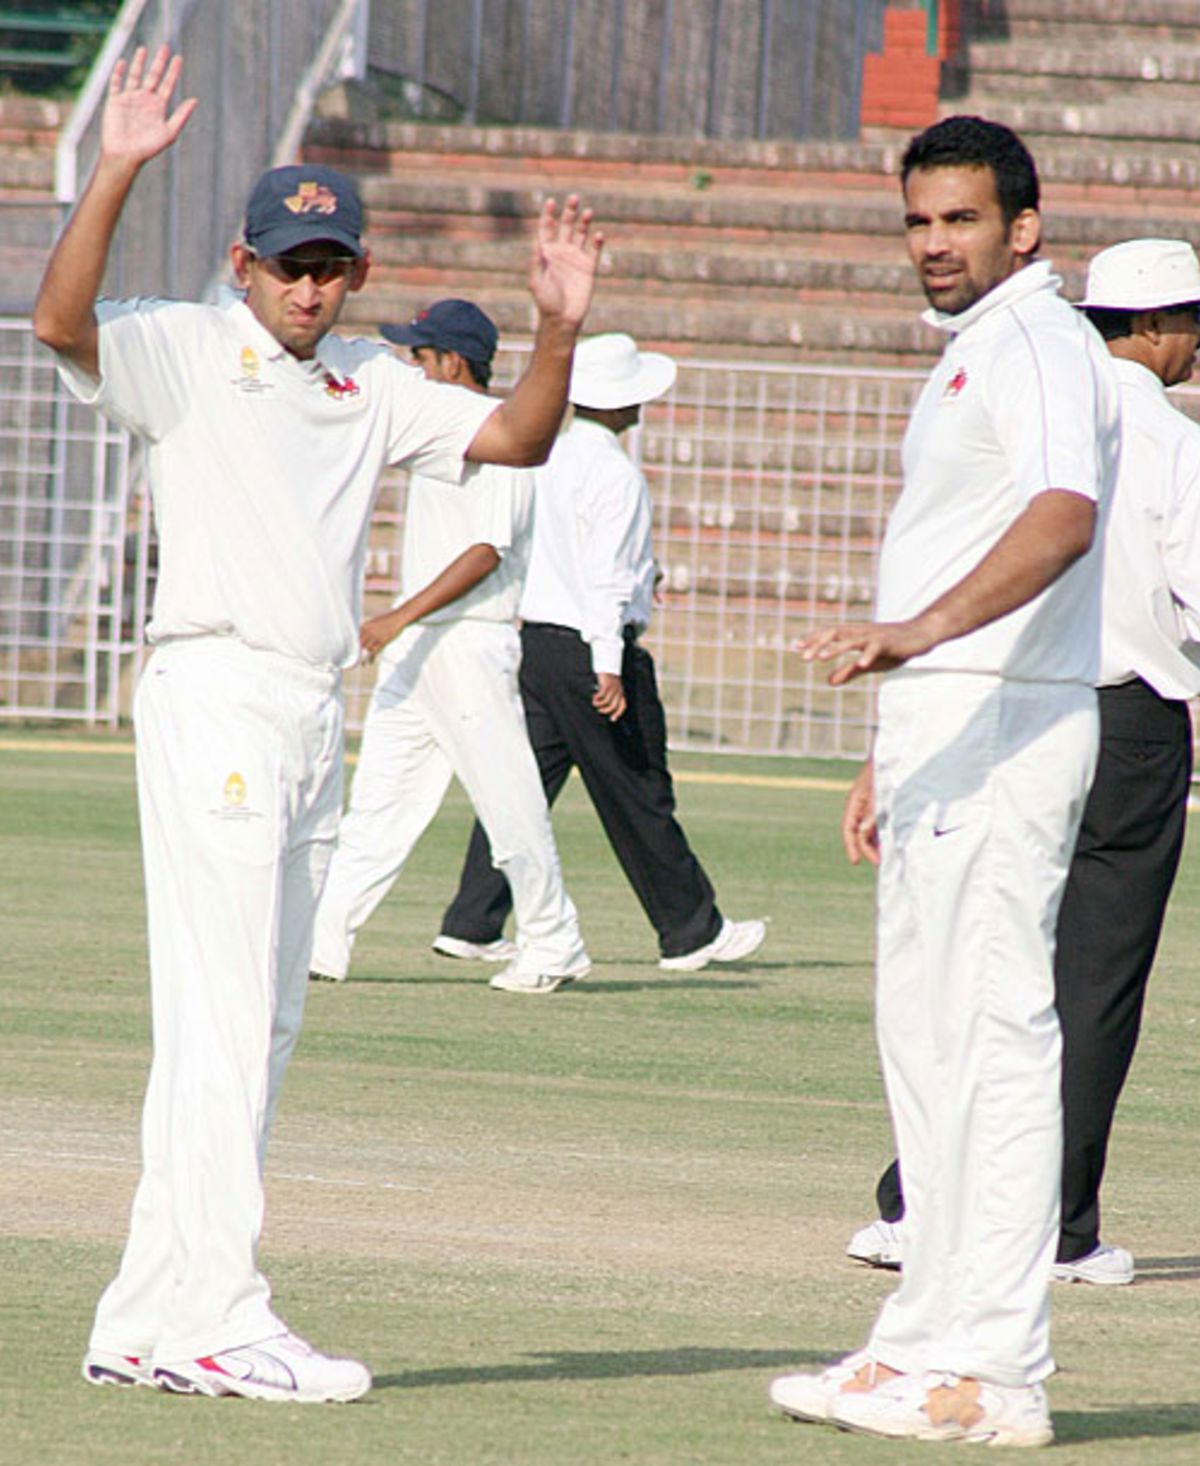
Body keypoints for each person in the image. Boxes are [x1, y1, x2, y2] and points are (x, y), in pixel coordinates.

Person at [32, 46, 601, 1403]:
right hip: (218, 688)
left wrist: (561, 325)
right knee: (227, 1021)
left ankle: (150, 1310)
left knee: (254, 1023)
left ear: (354, 271)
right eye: (289, 261)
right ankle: (221, 1312)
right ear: (244, 263)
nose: (309, 284)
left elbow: (516, 437)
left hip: (308, 709)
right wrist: (115, 165)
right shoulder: (186, 342)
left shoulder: (371, 378)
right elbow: (60, 326)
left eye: (331, 263)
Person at [768, 116, 1120, 1447]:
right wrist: (894, 732)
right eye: (918, 221)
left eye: (961, 220)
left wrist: (916, 641)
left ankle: (996, 1367)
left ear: (1022, 229)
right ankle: (921, 1340)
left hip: (1009, 725)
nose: (934, 245)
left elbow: (1062, 511)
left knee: (992, 1043)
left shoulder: (1039, 342)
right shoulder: (978, 351)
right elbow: (960, 539)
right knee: (927, 1052)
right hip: (945, 730)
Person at [846, 236, 1200, 1291]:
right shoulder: (1174, 442)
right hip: (1127, 718)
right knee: (1090, 982)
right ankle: (1057, 1223)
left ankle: (922, 1202)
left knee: (978, 965)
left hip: (1002, 705)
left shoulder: (1027, 389)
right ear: (1152, 326)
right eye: (1189, 318)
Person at [434, 332, 767, 974]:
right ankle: (691, 930)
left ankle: (472, 920)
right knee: (637, 788)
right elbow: (605, 578)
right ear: (620, 404)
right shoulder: (615, 474)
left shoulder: (544, 459)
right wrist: (609, 665)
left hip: (536, 644)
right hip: (590, 650)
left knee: (521, 787)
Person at [308, 298, 589, 995]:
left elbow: (486, 553)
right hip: (421, 652)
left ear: (453, 362)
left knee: (508, 802)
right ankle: (318, 940)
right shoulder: (436, 432)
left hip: (466, 645)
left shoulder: (508, 444)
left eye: (421, 357)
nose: (413, 367)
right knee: (379, 804)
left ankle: (554, 941)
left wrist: (394, 617)